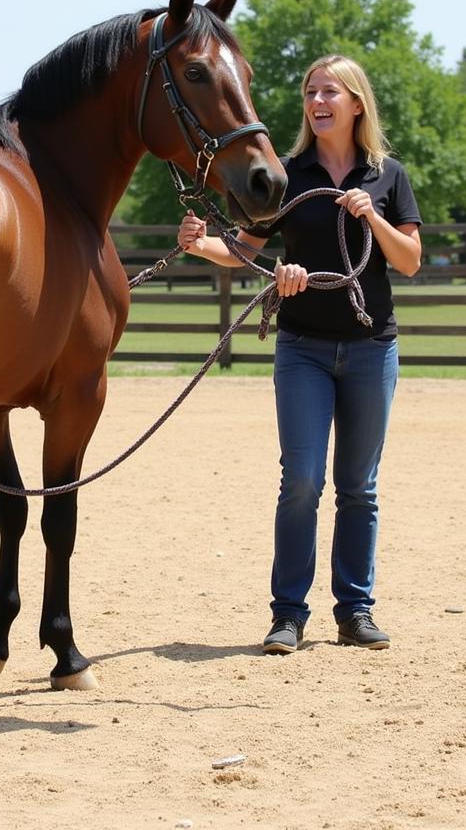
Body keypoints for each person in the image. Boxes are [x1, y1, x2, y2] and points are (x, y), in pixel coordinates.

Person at [178, 54, 422, 654]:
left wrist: (373, 218)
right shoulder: (289, 173)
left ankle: (355, 611)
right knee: (302, 481)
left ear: (356, 104)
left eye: (329, 91)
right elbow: (245, 249)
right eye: (311, 91)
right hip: (304, 349)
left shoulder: (386, 176)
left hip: (371, 349)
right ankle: (288, 614)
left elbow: (410, 260)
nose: (317, 100)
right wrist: (201, 244)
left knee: (358, 486)